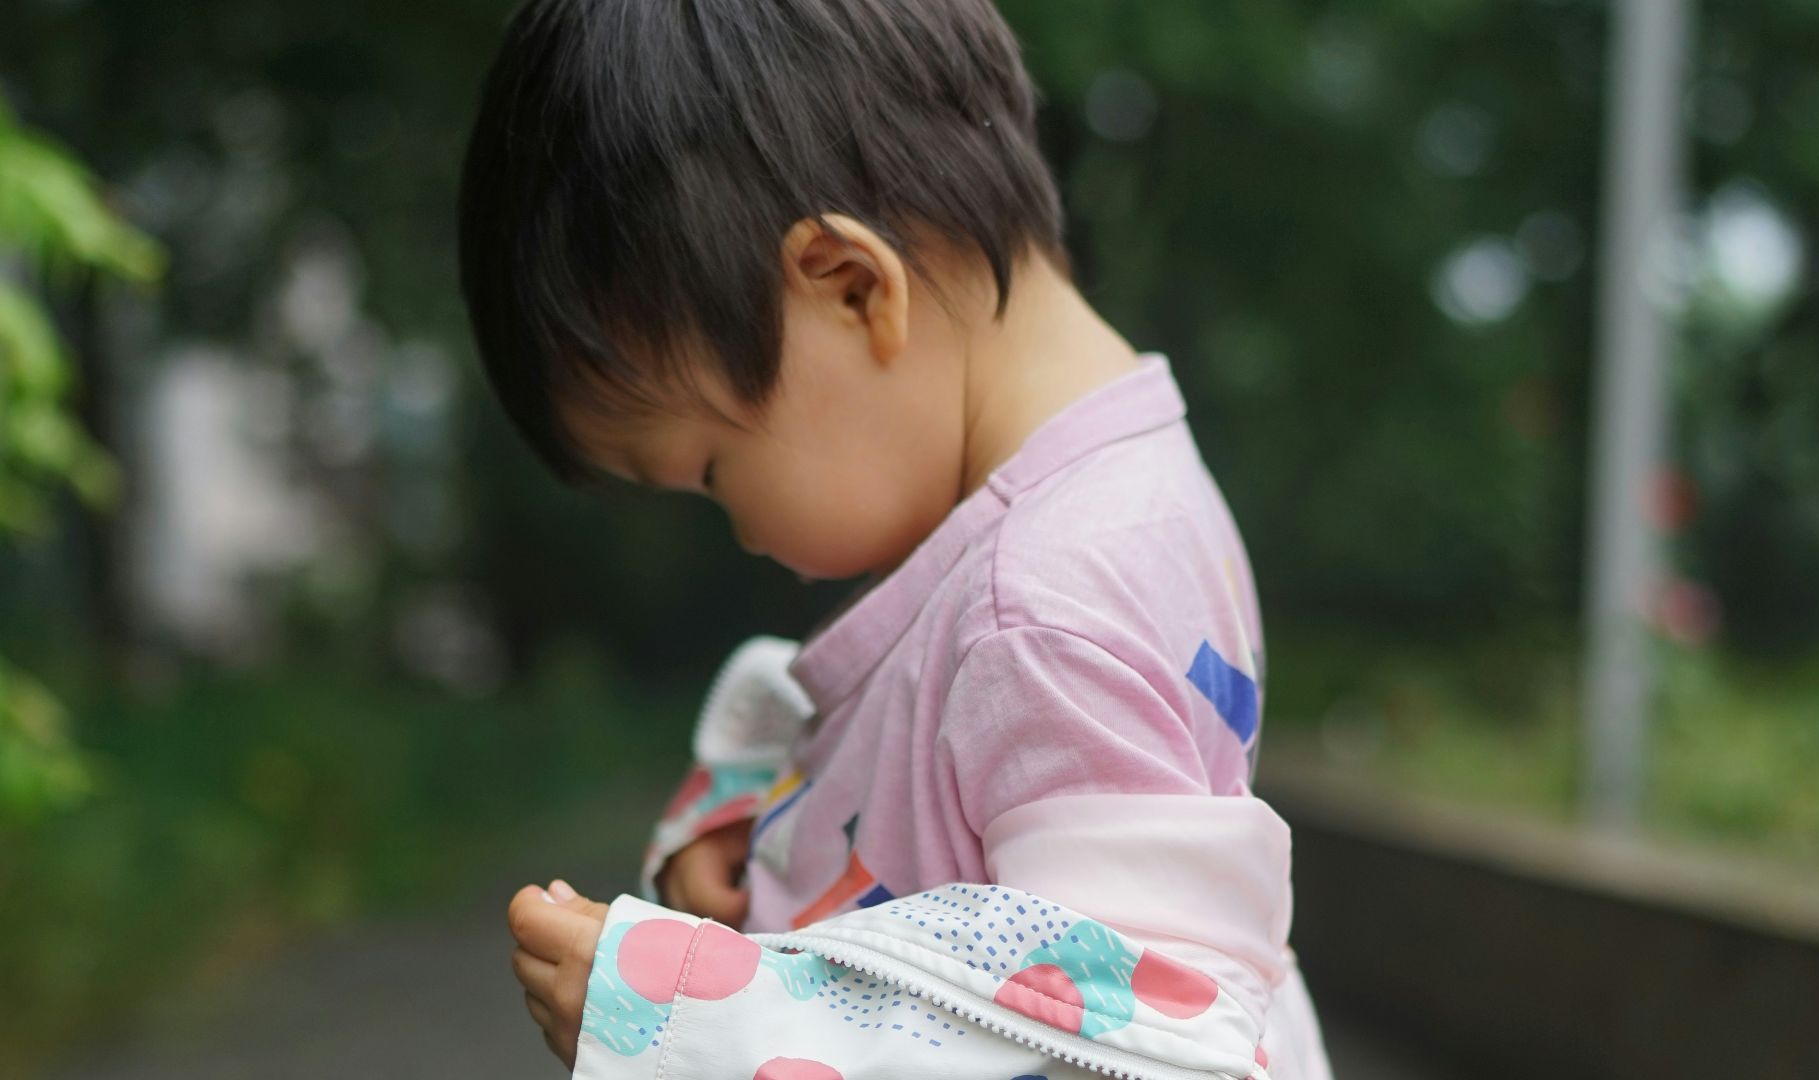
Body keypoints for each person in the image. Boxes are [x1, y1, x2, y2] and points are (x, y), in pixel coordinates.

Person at [458, 1, 1333, 1076]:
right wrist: (765, 836)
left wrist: (704, 1023)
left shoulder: (1041, 610)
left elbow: (1118, 1047)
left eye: (712, 472)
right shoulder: (1137, 492)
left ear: (851, 286)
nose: (738, 532)